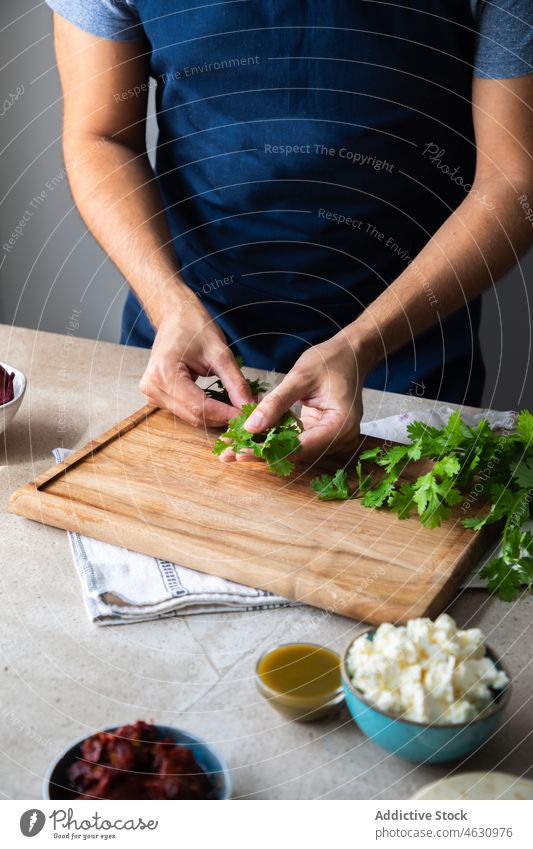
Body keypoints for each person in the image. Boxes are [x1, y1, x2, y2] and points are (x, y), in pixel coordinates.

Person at [48, 1, 532, 462]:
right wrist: (167, 301)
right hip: (189, 338)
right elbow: (100, 135)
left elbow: (514, 180)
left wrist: (361, 345)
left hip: (406, 353)